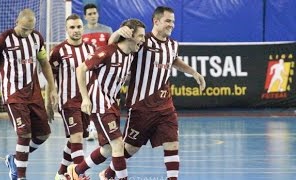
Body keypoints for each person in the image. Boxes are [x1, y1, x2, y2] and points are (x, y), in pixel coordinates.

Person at [99, 6, 206, 180]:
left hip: (165, 105)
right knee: (130, 148)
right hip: (141, 105)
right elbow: (113, 46)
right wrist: (118, 32)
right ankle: (108, 173)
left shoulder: (173, 45)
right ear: (156, 21)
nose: (172, 25)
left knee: (172, 143)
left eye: (173, 21)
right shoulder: (141, 41)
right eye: (168, 21)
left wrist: (194, 73)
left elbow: (173, 60)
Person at [0, 9, 58, 180]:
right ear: (17, 22)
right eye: (24, 29)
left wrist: (53, 88)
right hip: (13, 94)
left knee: (43, 135)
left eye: (31, 29)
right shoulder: (3, 39)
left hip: (34, 93)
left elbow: (44, 63)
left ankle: (15, 158)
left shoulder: (37, 38)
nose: (27, 33)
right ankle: (20, 177)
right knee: (24, 134)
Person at [66, 18, 146, 180]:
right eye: (141, 36)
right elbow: (81, 69)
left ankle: (76, 172)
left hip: (112, 103)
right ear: (129, 35)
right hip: (99, 102)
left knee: (108, 149)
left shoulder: (130, 55)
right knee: (118, 144)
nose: (143, 40)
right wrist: (85, 99)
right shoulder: (107, 52)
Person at [47, 14, 96, 180]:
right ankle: (79, 175)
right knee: (76, 137)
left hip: (86, 101)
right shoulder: (58, 50)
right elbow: (50, 77)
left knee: (78, 136)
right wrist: (48, 101)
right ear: (67, 29)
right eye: (72, 27)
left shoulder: (91, 49)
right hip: (67, 101)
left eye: (78, 27)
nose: (76, 30)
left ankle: (61, 173)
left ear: (83, 28)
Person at [82, 3, 113, 141]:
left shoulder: (107, 30)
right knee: (88, 99)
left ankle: (105, 127)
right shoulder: (81, 31)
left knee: (105, 100)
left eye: (94, 13)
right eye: (89, 14)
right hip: (87, 70)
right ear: (85, 16)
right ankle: (91, 127)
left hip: (104, 71)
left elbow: (112, 49)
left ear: (98, 14)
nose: (92, 16)